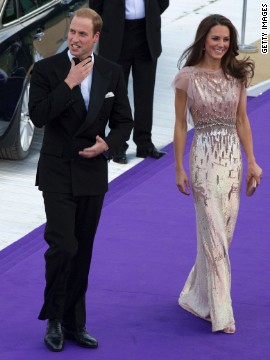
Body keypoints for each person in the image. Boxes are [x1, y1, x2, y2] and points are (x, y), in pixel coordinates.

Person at [29, 8, 133, 352]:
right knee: (64, 247)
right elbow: (40, 116)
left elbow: (123, 122)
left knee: (83, 251)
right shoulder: (47, 70)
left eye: (82, 34)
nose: (74, 38)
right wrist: (68, 84)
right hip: (57, 172)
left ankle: (76, 323)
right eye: (72, 31)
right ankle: (54, 320)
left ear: (96, 38)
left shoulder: (111, 72)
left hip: (92, 175)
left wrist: (108, 145)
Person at [173, 14, 262, 334]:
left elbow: (242, 121)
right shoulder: (187, 77)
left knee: (222, 234)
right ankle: (222, 312)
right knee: (213, 236)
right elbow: (181, 123)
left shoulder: (237, 75)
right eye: (215, 39)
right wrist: (179, 167)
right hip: (203, 160)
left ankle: (198, 296)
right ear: (203, 40)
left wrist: (252, 160)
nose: (221, 45)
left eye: (226, 40)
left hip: (232, 161)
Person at [89, 0, 169, 164]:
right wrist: (111, 20)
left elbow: (163, 2)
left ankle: (144, 143)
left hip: (146, 34)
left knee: (145, 93)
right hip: (116, 35)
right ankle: (118, 145)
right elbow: (95, 4)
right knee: (117, 95)